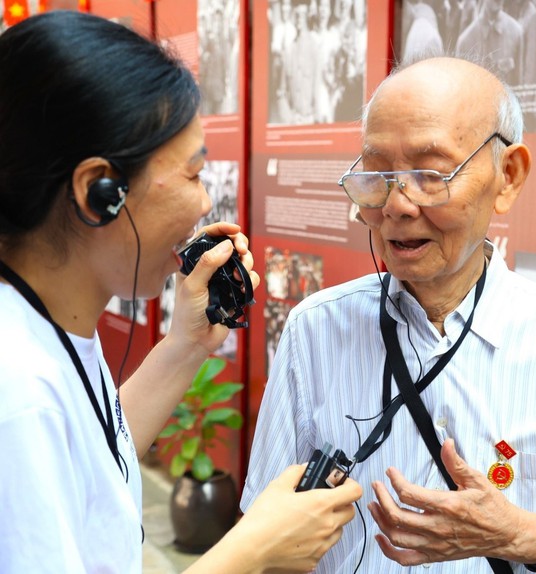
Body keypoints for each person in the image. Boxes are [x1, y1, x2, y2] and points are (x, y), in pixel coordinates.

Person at [242, 55, 536, 573]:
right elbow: (260, 536)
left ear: (507, 177)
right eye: (378, 174)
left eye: (429, 174)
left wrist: (527, 535)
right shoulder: (316, 329)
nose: (397, 205)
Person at [0, 11, 361, 573]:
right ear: (99, 192)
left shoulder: (43, 330)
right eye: (194, 176)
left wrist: (188, 344)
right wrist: (255, 549)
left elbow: (92, 460)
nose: (202, 205)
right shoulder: (18, 396)